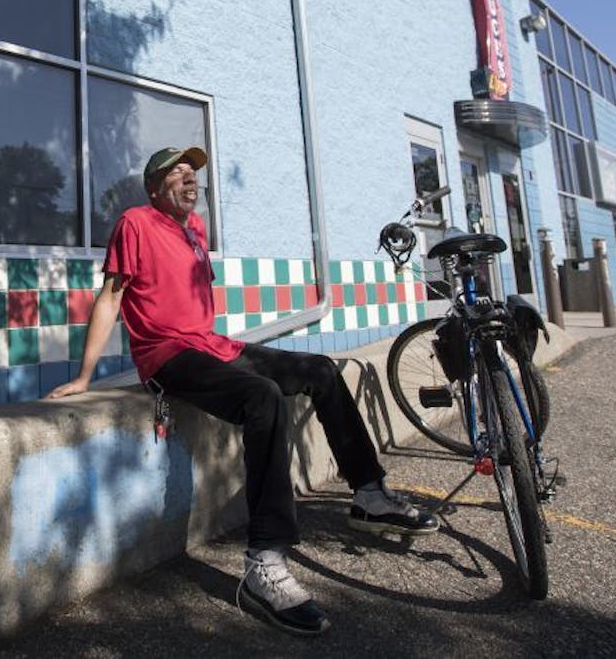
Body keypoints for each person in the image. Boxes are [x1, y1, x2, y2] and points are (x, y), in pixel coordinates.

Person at [47, 145, 438, 636]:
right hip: (168, 357)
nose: (191, 179)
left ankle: (369, 494)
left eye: (194, 173)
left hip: (214, 347)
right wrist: (84, 377)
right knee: (261, 396)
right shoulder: (135, 223)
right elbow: (111, 298)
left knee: (321, 369)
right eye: (178, 173)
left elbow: (193, 304)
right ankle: (264, 561)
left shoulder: (195, 231)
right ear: (153, 187)